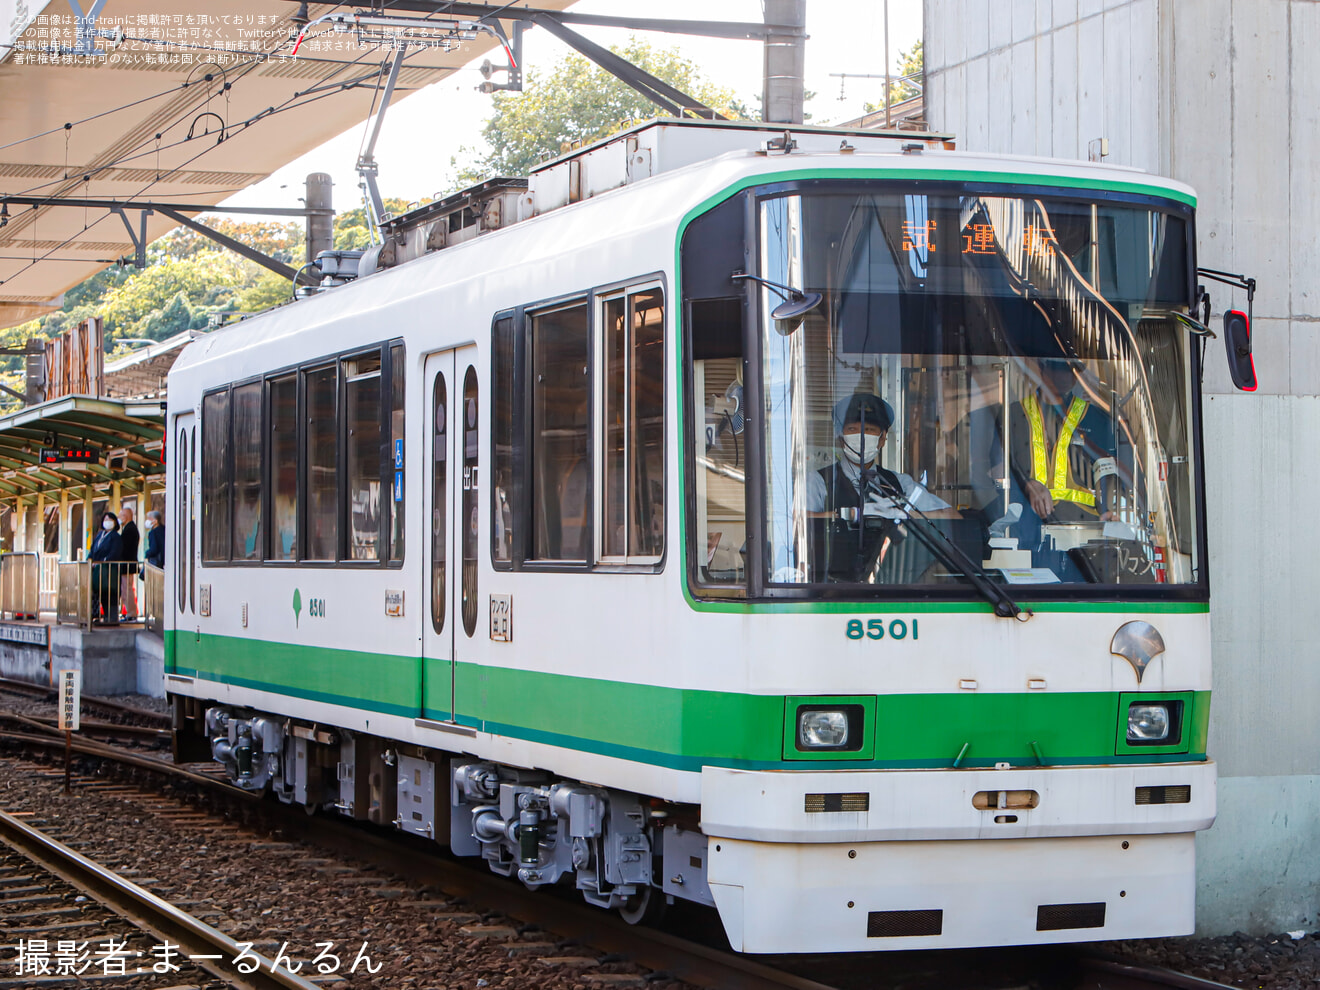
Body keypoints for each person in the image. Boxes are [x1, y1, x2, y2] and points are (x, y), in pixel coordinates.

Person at [804, 393, 953, 582]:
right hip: (829, 590)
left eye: (869, 430)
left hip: (890, 589)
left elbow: (950, 517)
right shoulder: (818, 480)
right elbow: (799, 520)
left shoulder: (899, 483)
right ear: (841, 438)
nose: (861, 437)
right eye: (852, 429)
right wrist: (853, 513)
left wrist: (902, 514)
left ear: (882, 439)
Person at [88, 511, 122, 625]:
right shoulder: (99, 535)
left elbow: (115, 552)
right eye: (105, 520)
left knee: (110, 592)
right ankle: (104, 616)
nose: (107, 522)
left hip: (109, 570)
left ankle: (112, 618)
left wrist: (103, 561)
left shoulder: (115, 537)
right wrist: (90, 561)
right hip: (97, 570)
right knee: (101, 592)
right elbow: (93, 550)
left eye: (110, 520)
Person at [118, 506, 139, 621]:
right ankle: (129, 612)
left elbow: (124, 548)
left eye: (120, 516)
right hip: (128, 565)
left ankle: (131, 613)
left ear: (125, 517)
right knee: (127, 589)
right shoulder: (131, 528)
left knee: (127, 589)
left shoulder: (129, 530)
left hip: (127, 565)